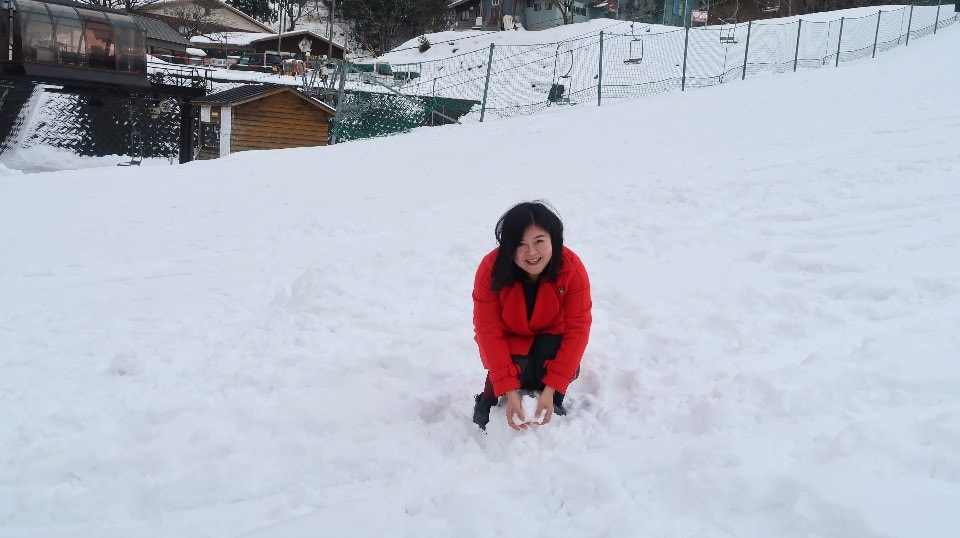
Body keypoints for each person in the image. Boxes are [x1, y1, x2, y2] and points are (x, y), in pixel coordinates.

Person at [472, 201, 592, 431]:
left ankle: (553, 398)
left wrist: (553, 387)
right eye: (521, 244)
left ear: (553, 240)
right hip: (510, 336)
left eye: (539, 242)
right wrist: (507, 386)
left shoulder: (572, 268)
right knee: (517, 362)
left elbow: (579, 328)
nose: (532, 252)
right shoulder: (490, 269)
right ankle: (489, 396)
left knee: (551, 359)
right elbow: (487, 330)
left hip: (551, 335)